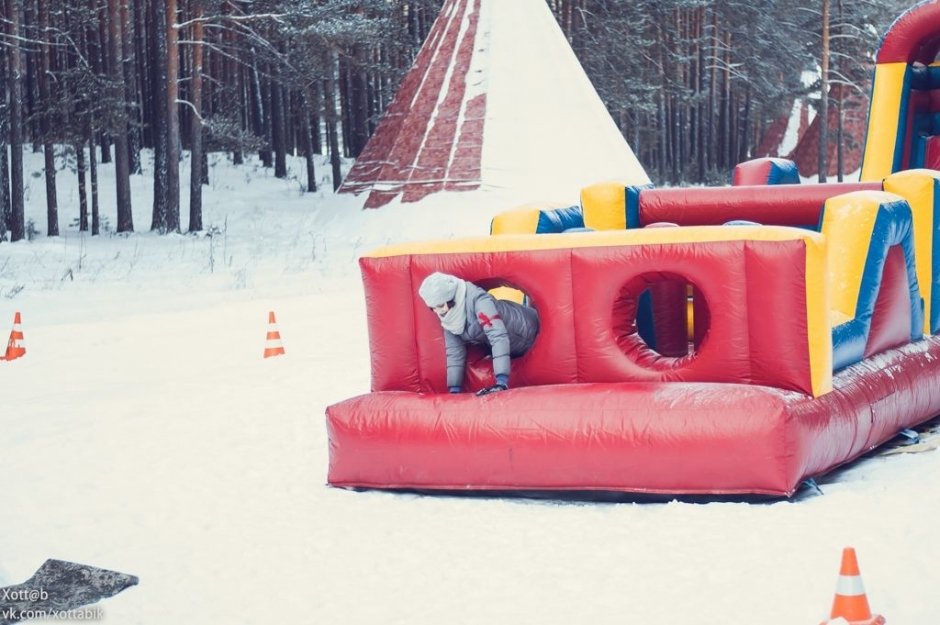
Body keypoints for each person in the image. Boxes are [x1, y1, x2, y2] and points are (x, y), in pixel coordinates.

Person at [418, 272, 540, 395]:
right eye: (432, 308)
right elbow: (454, 352)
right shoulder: (449, 318)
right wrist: (454, 389)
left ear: (450, 298)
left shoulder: (479, 301)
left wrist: (501, 380)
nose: (438, 311)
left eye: (440, 306)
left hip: (529, 329)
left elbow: (497, 336)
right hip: (514, 348)